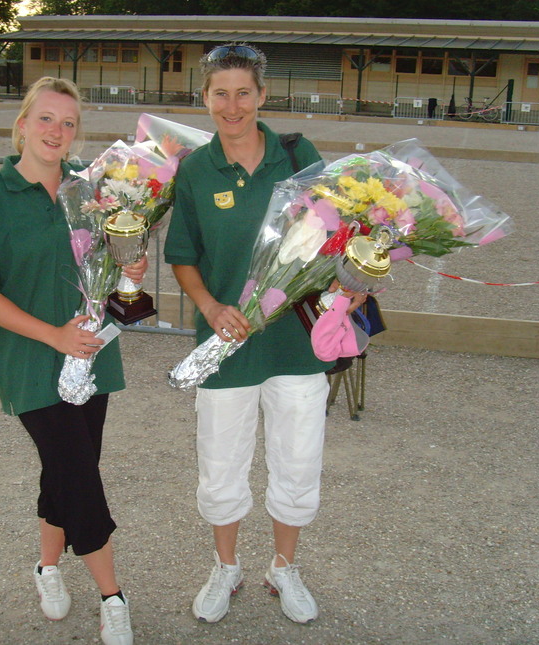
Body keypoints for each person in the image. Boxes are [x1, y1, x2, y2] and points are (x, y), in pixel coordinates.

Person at [164, 44, 365, 626]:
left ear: (262, 96)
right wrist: (209, 305)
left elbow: (338, 238)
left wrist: (355, 279)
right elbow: (183, 255)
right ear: (204, 98)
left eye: (243, 93)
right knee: (221, 464)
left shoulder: (299, 158)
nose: (232, 106)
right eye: (220, 93)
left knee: (297, 463)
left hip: (295, 346)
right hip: (226, 346)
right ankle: (226, 567)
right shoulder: (195, 170)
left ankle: (284, 567)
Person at [0, 76, 144, 645]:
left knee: (64, 469)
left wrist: (131, 266)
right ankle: (113, 597)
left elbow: (111, 261)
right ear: (22, 125)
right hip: (29, 360)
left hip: (91, 355)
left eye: (68, 122)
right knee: (80, 476)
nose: (56, 131)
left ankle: (46, 567)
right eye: (45, 118)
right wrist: (52, 336)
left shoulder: (93, 189)